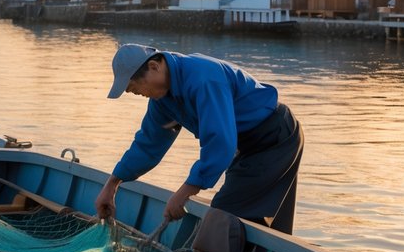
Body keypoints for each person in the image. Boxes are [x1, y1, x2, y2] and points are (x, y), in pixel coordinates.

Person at [94, 44, 303, 236]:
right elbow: (148, 145)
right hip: (246, 145)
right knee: (250, 217)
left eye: (135, 87)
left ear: (154, 66)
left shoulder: (203, 78)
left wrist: (187, 190)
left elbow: (220, 142)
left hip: (275, 137)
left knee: (226, 213)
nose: (137, 93)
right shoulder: (162, 101)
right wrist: (112, 184)